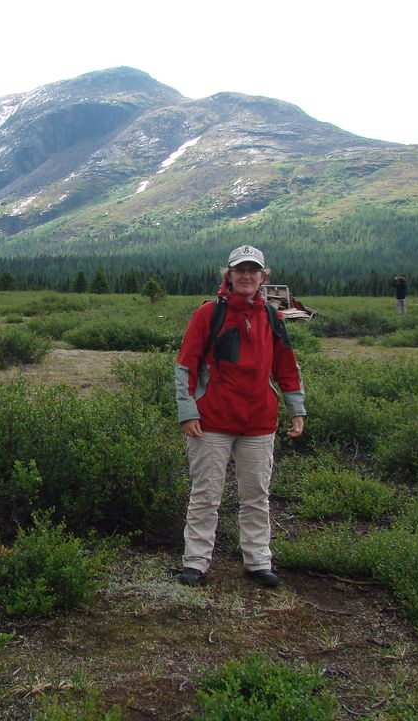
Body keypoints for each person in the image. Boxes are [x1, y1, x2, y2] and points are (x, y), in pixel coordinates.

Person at [174, 245, 306, 588]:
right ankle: (195, 562)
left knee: (256, 494)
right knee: (206, 494)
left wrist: (296, 408)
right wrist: (187, 411)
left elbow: (286, 366)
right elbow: (186, 364)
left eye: (253, 270)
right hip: (211, 421)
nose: (247, 276)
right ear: (228, 276)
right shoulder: (208, 314)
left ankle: (258, 561)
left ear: (263, 276)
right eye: (240, 270)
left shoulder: (273, 318)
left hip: (259, 422)